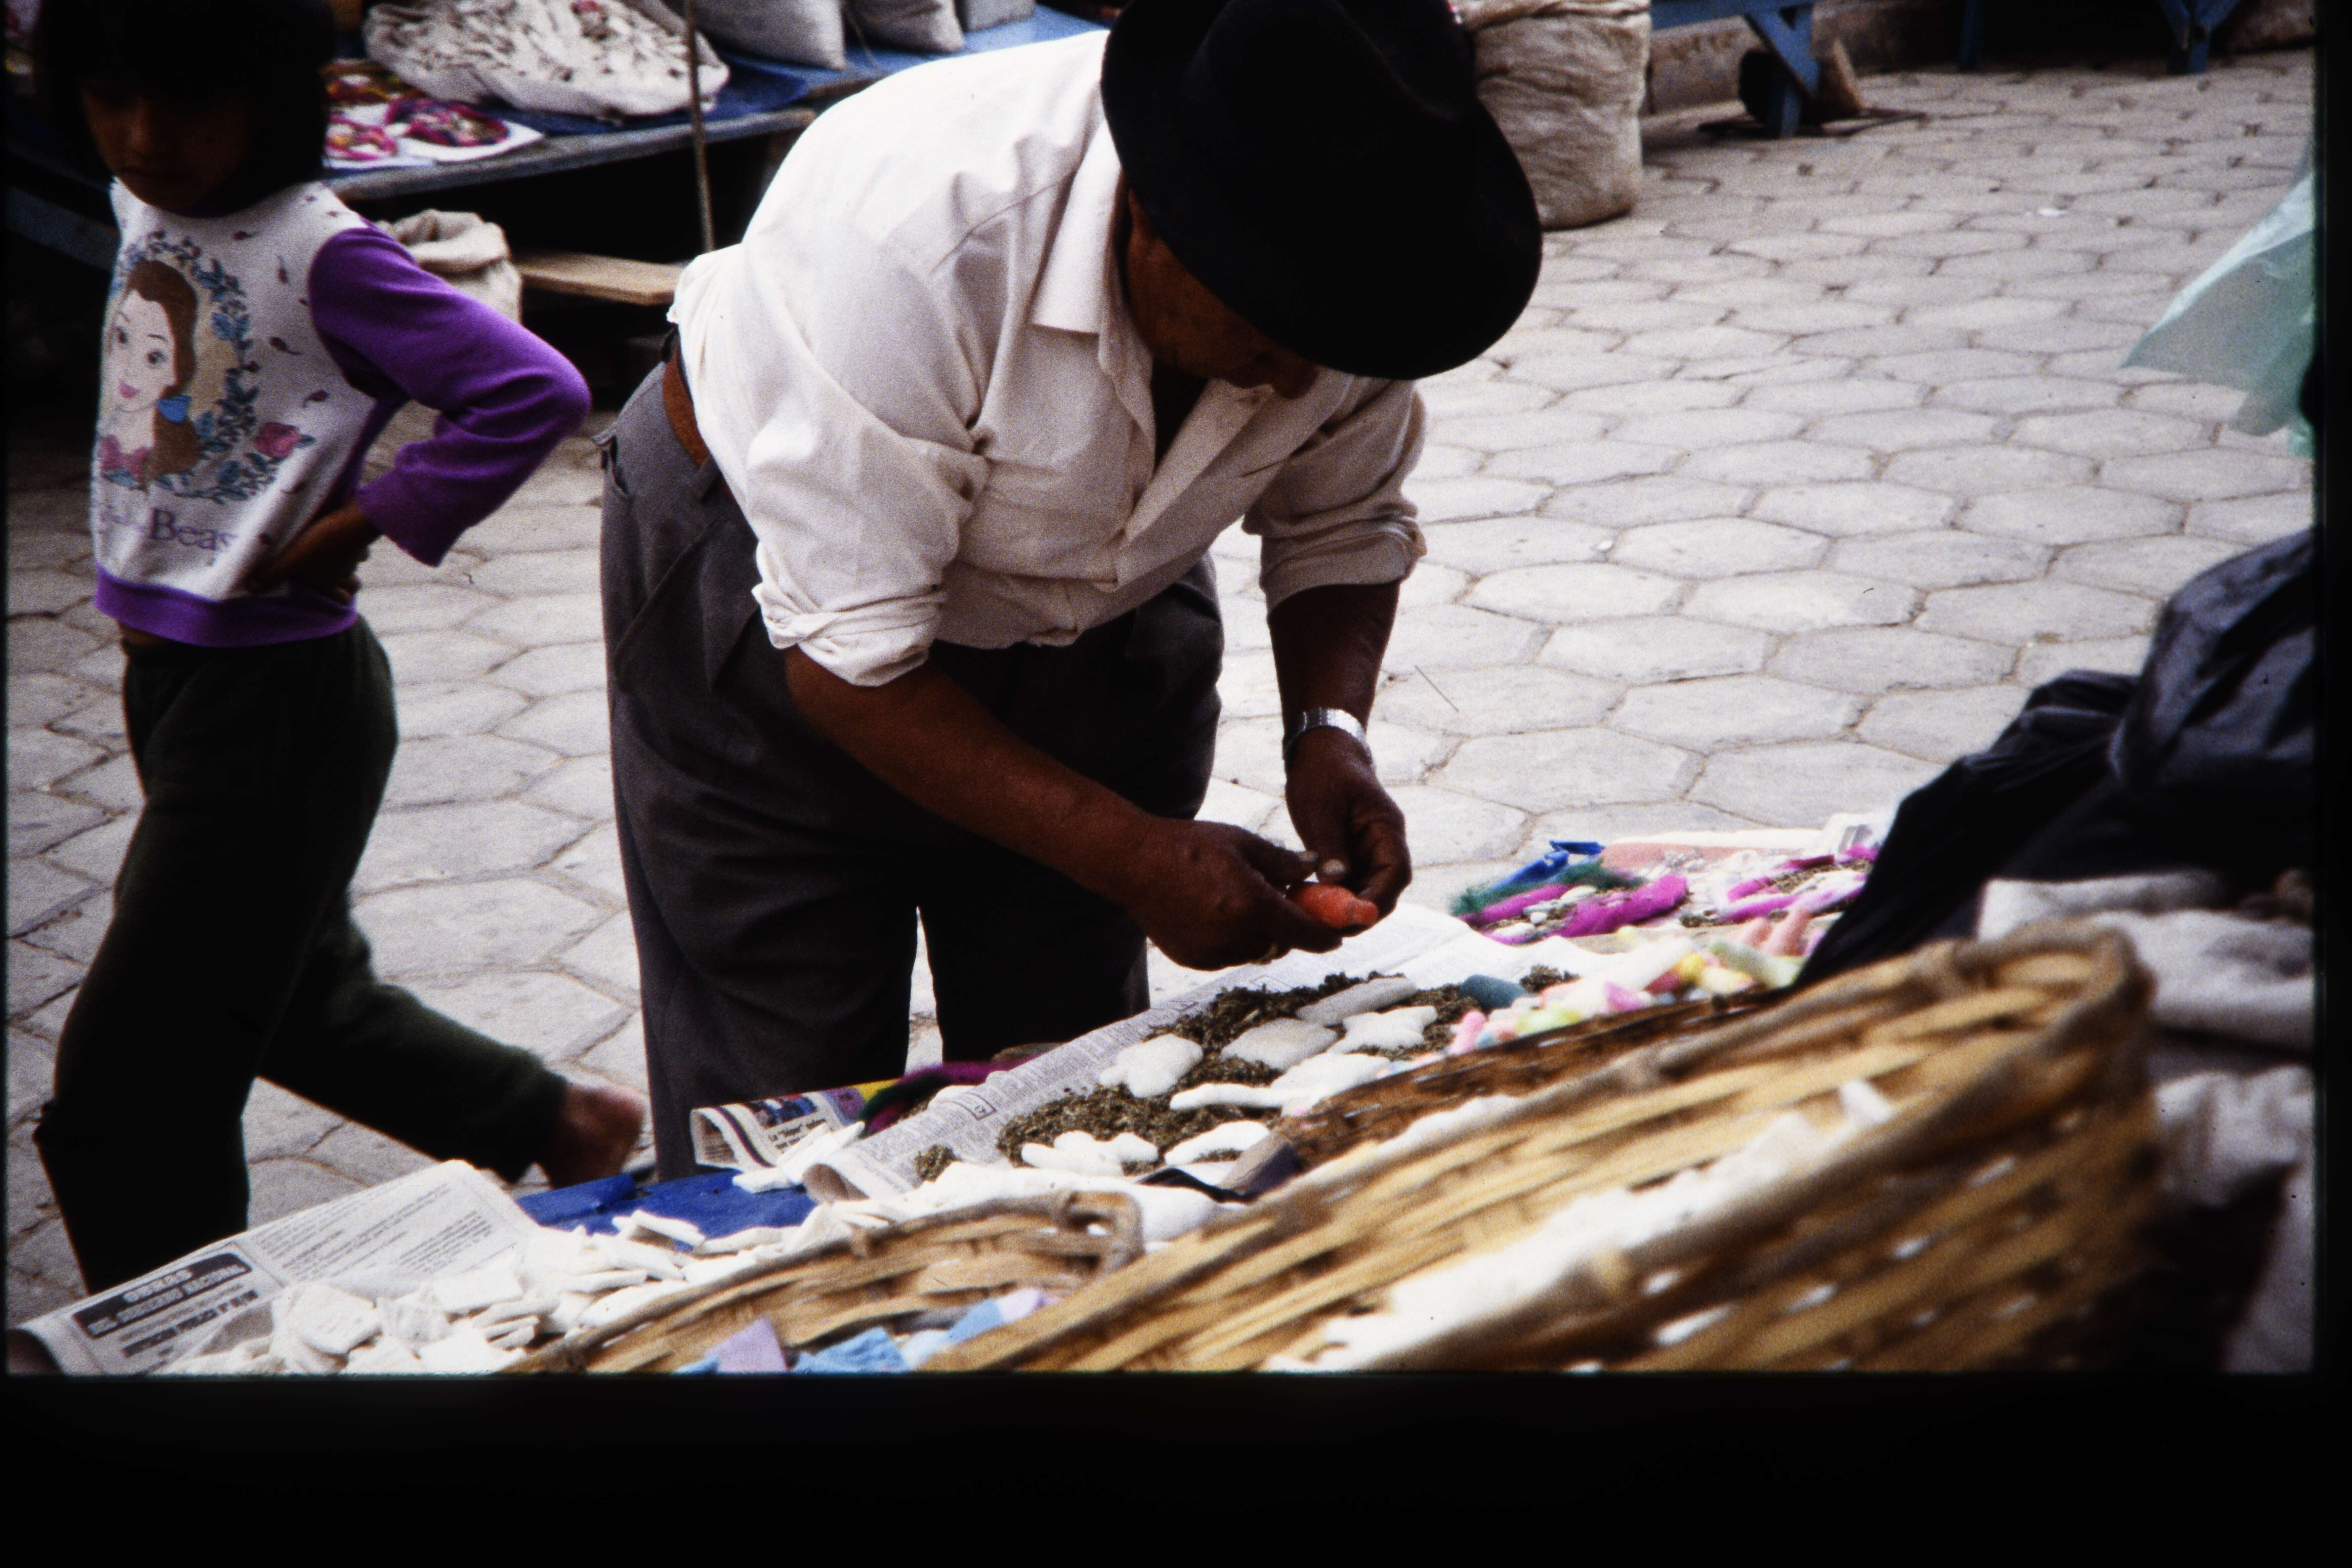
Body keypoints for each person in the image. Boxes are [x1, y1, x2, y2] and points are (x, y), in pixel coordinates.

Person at [602, 0, 1541, 1175]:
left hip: (1098, 606)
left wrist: (1328, 735)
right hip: (776, 605)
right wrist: (1139, 857)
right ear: (1150, 213)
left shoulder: (1348, 260)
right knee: (791, 1101)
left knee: (1075, 1094)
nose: (1302, 378)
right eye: (1269, 325)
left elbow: (1344, 522)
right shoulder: (912, 239)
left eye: (1328, 334)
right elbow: (851, 670)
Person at [31, 0, 648, 1294]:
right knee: (295, 1000)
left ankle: (191, 1342)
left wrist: (372, 515)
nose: (145, 138)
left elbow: (530, 387)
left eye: (188, 103)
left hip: (278, 702)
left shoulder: (325, 252)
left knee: (128, 1096)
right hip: (173, 673)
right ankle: (560, 1122)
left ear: (269, 99)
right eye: (111, 98)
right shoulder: (146, 203)